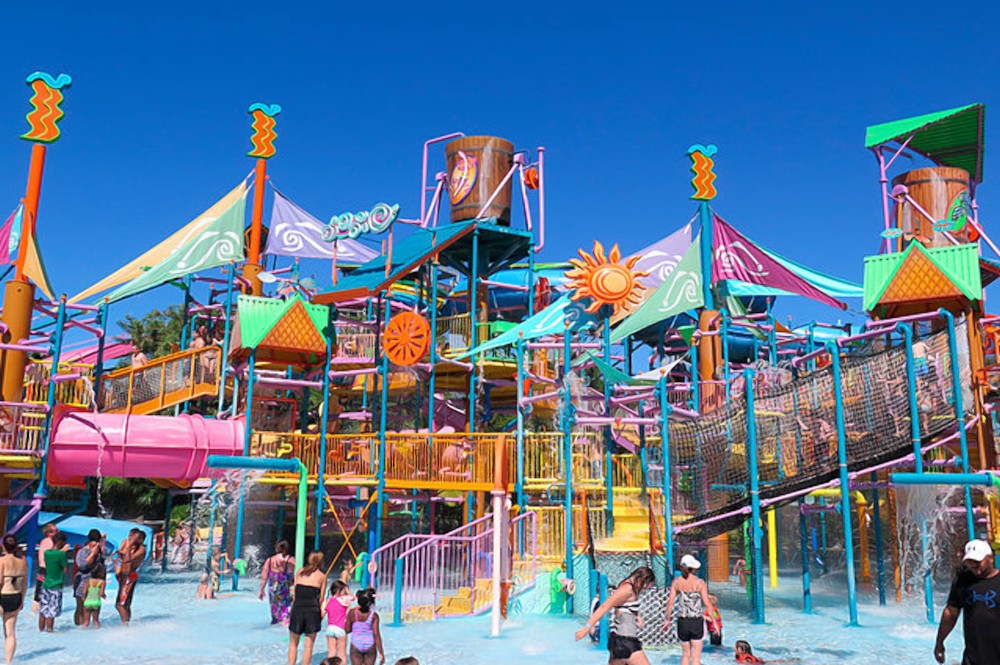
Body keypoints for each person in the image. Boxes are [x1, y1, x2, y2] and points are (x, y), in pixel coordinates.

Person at [935, 539, 1000, 664]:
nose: (974, 565)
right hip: (973, 657)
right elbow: (951, 612)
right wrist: (939, 642)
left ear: (991, 558)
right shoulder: (963, 581)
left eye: (978, 561)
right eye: (970, 561)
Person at [575, 566, 657, 665]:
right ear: (640, 579)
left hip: (620, 641)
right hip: (626, 642)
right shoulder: (627, 589)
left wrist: (637, 616)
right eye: (645, 586)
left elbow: (626, 606)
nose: (645, 589)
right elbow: (604, 606)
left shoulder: (629, 586)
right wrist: (586, 628)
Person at [665, 555, 717, 665]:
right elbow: (707, 604)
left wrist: (667, 620)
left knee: (685, 655)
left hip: (682, 621)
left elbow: (670, 603)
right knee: (696, 657)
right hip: (696, 621)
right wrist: (714, 622)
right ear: (693, 568)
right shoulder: (699, 583)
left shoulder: (676, 582)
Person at [288, 551, 327, 665]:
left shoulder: (300, 572)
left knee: (293, 645)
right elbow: (321, 599)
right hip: (312, 611)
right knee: (308, 647)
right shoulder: (322, 576)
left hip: (298, 609)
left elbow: (295, 593)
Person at [0, 534, 28, 663]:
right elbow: (24, 584)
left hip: (3, 595)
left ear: (4, 546)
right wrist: (22, 600)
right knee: (10, 633)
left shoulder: (2, 561)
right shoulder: (23, 561)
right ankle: (8, 662)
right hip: (16, 597)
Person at [39, 532, 70, 633]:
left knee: (43, 610)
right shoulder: (61, 555)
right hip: (56, 585)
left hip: (45, 584)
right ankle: (50, 630)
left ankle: (41, 630)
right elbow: (65, 570)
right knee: (51, 611)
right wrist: (63, 553)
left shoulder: (46, 553)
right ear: (60, 542)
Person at [114, 528, 147, 625]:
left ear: (140, 540)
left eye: (133, 537)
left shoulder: (141, 549)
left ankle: (125, 626)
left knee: (120, 605)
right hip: (124, 576)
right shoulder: (130, 546)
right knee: (126, 604)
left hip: (129, 577)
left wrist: (129, 545)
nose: (130, 539)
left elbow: (127, 560)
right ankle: (127, 623)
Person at [73, 529, 104, 626]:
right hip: (82, 580)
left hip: (93, 583)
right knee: (80, 606)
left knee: (92, 608)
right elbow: (82, 566)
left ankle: (86, 627)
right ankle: (79, 627)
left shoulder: (99, 551)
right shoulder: (83, 551)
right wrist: (93, 554)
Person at [345, 588, 384, 665]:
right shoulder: (374, 616)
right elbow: (376, 634)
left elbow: (347, 630)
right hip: (370, 644)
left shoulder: (352, 613)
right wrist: (381, 651)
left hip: (356, 644)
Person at [260, 540, 295, 624]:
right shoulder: (291, 560)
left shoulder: (270, 560)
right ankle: (285, 623)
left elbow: (264, 576)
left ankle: (275, 622)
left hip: (274, 588)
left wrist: (261, 590)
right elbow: (298, 574)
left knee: (275, 610)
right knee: (287, 610)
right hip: (286, 588)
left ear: (277, 548)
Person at [323, 580, 352, 663]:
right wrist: (347, 591)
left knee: (331, 653)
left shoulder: (327, 601)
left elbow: (322, 614)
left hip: (330, 628)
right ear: (339, 591)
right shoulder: (344, 600)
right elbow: (352, 597)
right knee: (341, 653)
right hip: (341, 628)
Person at [32, 523, 57, 612]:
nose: (58, 532)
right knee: (44, 591)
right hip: (47, 569)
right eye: (55, 531)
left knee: (40, 590)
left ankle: (38, 608)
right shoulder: (49, 542)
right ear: (49, 533)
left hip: (44, 569)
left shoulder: (45, 541)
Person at [81, 563, 107, 628]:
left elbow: (84, 592)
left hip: (87, 602)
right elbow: (101, 593)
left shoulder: (88, 581)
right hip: (96, 602)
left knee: (86, 622)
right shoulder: (102, 582)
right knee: (96, 621)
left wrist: (84, 600)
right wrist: (104, 596)